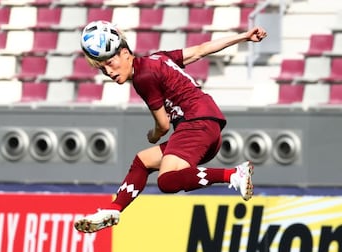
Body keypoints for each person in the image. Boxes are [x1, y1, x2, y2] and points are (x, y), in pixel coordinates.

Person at [74, 20, 267, 233]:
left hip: (196, 122)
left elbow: (163, 125)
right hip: (207, 126)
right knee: (143, 161)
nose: (109, 72)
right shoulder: (158, 58)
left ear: (125, 53)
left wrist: (154, 135)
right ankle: (114, 209)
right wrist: (243, 37)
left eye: (110, 63)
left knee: (166, 181)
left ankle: (233, 174)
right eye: (103, 69)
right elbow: (201, 50)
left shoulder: (143, 77)